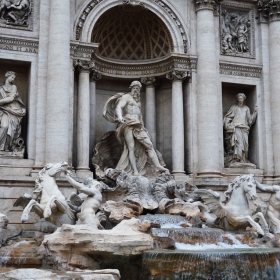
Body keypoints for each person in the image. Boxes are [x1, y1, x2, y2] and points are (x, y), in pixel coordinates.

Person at [103, 81, 167, 176]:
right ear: (131, 88)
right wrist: (120, 117)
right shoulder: (126, 97)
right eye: (135, 88)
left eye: (138, 88)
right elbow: (118, 107)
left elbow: (140, 116)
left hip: (138, 125)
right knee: (131, 148)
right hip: (128, 122)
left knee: (149, 145)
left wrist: (143, 127)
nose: (136, 90)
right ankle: (135, 171)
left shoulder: (138, 101)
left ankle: (157, 166)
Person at [223, 93, 257, 166]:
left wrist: (255, 112)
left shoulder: (246, 108)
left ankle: (244, 159)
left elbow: (249, 120)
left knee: (246, 145)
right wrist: (227, 125)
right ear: (237, 99)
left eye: (241, 98)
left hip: (244, 128)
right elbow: (228, 117)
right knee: (239, 144)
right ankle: (237, 159)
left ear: (244, 99)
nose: (240, 100)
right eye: (239, 98)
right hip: (237, 127)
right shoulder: (234, 107)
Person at [0, 71, 25, 152]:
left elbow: (11, 98)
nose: (12, 79)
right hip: (3, 110)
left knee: (6, 127)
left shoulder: (14, 87)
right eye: (12, 77)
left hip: (12, 110)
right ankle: (1, 146)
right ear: (7, 76)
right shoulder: (0, 88)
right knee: (4, 126)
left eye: (14, 78)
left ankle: (6, 146)